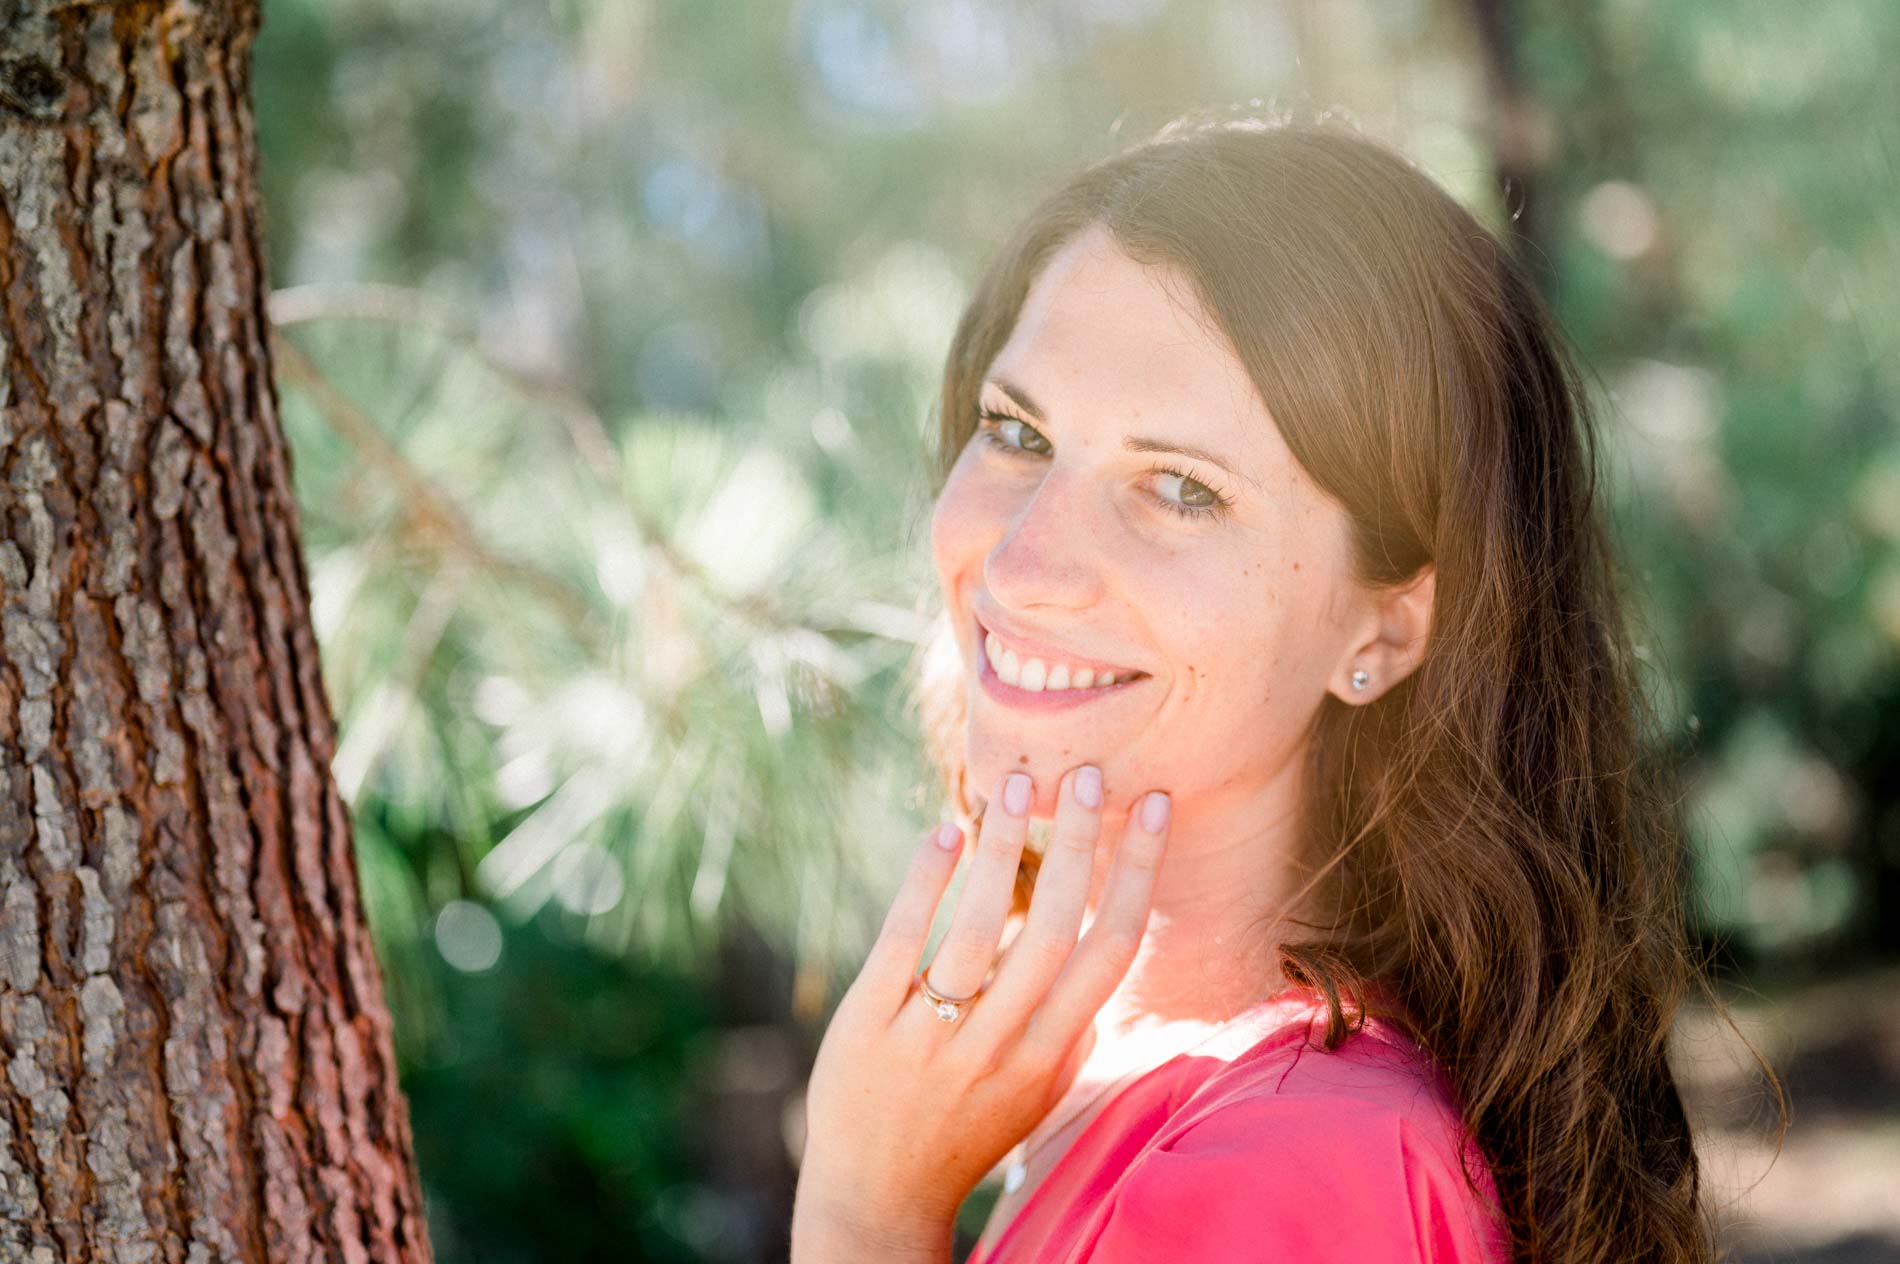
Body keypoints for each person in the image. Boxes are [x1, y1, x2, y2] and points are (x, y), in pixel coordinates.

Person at [790, 111, 1723, 1263]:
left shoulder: (1293, 1168)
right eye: (1016, 430)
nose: (1022, 563)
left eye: (1180, 489)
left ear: (1386, 622)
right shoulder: (1162, 1101)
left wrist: (863, 1213)